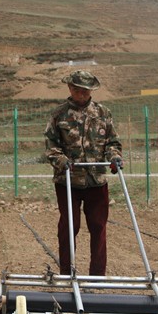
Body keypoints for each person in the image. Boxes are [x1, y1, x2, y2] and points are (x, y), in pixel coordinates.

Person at [44, 70, 123, 276]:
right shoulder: (59, 115)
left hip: (96, 180)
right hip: (68, 180)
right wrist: (61, 160)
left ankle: (97, 275)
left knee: (98, 226)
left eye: (86, 92)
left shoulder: (103, 113)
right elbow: (51, 146)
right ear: (70, 89)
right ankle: (67, 273)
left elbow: (113, 142)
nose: (82, 95)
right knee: (70, 226)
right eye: (78, 91)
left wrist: (114, 157)